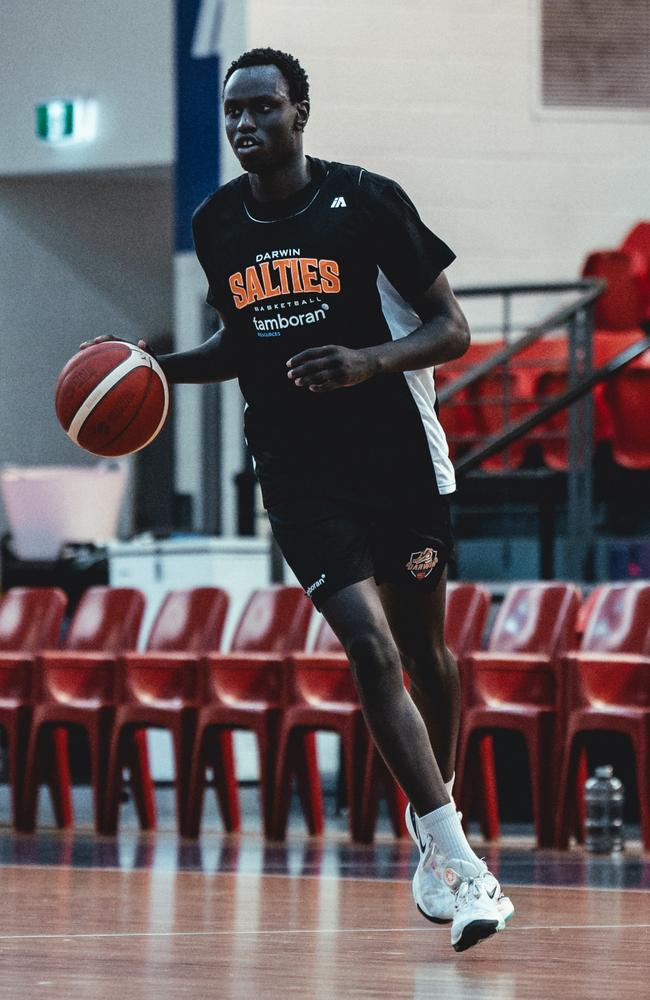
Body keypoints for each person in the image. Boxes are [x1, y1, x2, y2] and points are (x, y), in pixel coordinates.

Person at [82, 47, 513, 952]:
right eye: (234, 112)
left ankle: (436, 823)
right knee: (367, 640)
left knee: (425, 653)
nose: (245, 125)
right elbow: (239, 343)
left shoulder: (368, 202)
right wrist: (149, 367)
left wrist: (369, 362)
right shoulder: (217, 223)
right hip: (297, 470)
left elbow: (454, 328)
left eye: (263, 109)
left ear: (300, 113)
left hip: (398, 458)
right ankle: (458, 856)